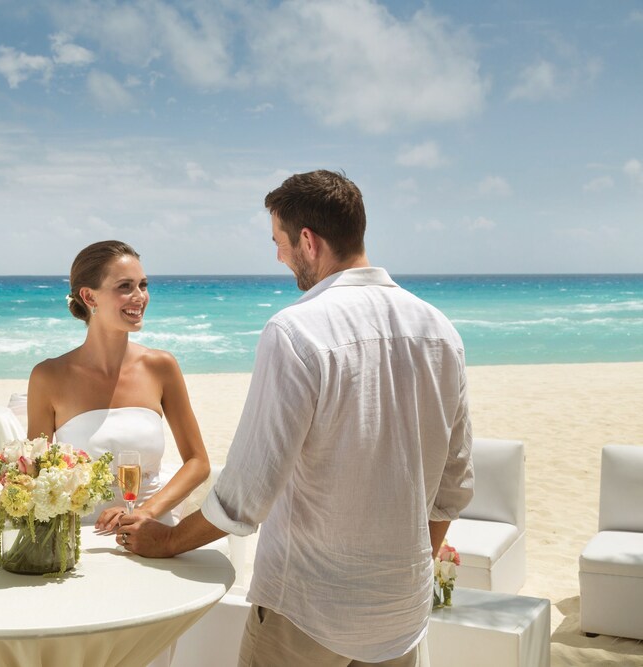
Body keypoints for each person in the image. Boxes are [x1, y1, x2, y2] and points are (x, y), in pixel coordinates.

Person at [121, 170, 474, 667]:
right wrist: (407, 571)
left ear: (308, 241)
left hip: (308, 612)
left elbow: (248, 491)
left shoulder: (296, 330)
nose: (279, 257)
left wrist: (169, 540)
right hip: (401, 617)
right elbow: (454, 484)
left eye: (279, 243)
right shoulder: (441, 332)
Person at [0, 239, 211, 541]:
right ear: (89, 297)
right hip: (78, 537)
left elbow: (198, 461)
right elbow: (34, 472)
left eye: (143, 285)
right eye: (125, 287)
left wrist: (146, 511)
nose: (140, 296)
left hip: (150, 531)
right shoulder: (49, 376)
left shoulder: (161, 367)